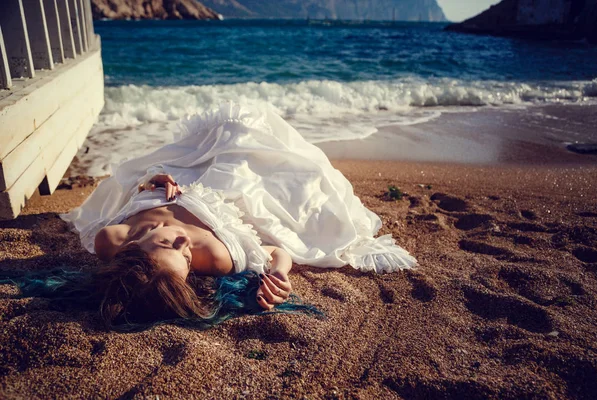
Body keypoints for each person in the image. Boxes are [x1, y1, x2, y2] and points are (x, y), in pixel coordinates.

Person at [17, 103, 417, 331]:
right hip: (228, 191)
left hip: (183, 177)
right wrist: (279, 274)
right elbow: (276, 250)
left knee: (221, 130)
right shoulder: (218, 257)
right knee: (255, 145)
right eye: (186, 260)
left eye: (169, 245)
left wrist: (150, 182)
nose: (185, 244)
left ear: (132, 244)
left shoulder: (111, 238)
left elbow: (134, 191)